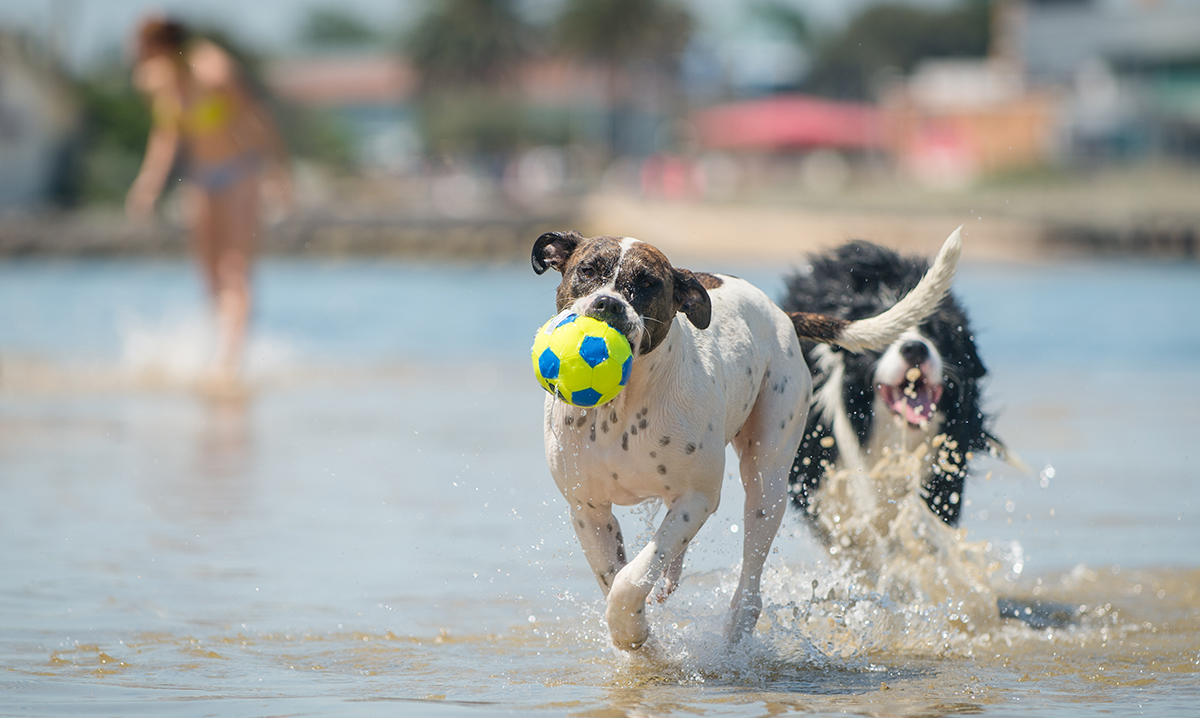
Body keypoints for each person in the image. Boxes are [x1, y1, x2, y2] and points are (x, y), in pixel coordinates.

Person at [126, 17, 290, 389]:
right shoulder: (158, 80)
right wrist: (148, 184)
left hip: (239, 173)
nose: (134, 56)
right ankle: (221, 349)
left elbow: (257, 118)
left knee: (234, 269)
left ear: (158, 45)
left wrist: (280, 174)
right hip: (200, 178)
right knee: (208, 274)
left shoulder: (214, 69)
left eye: (138, 47)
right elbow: (168, 133)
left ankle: (229, 364)